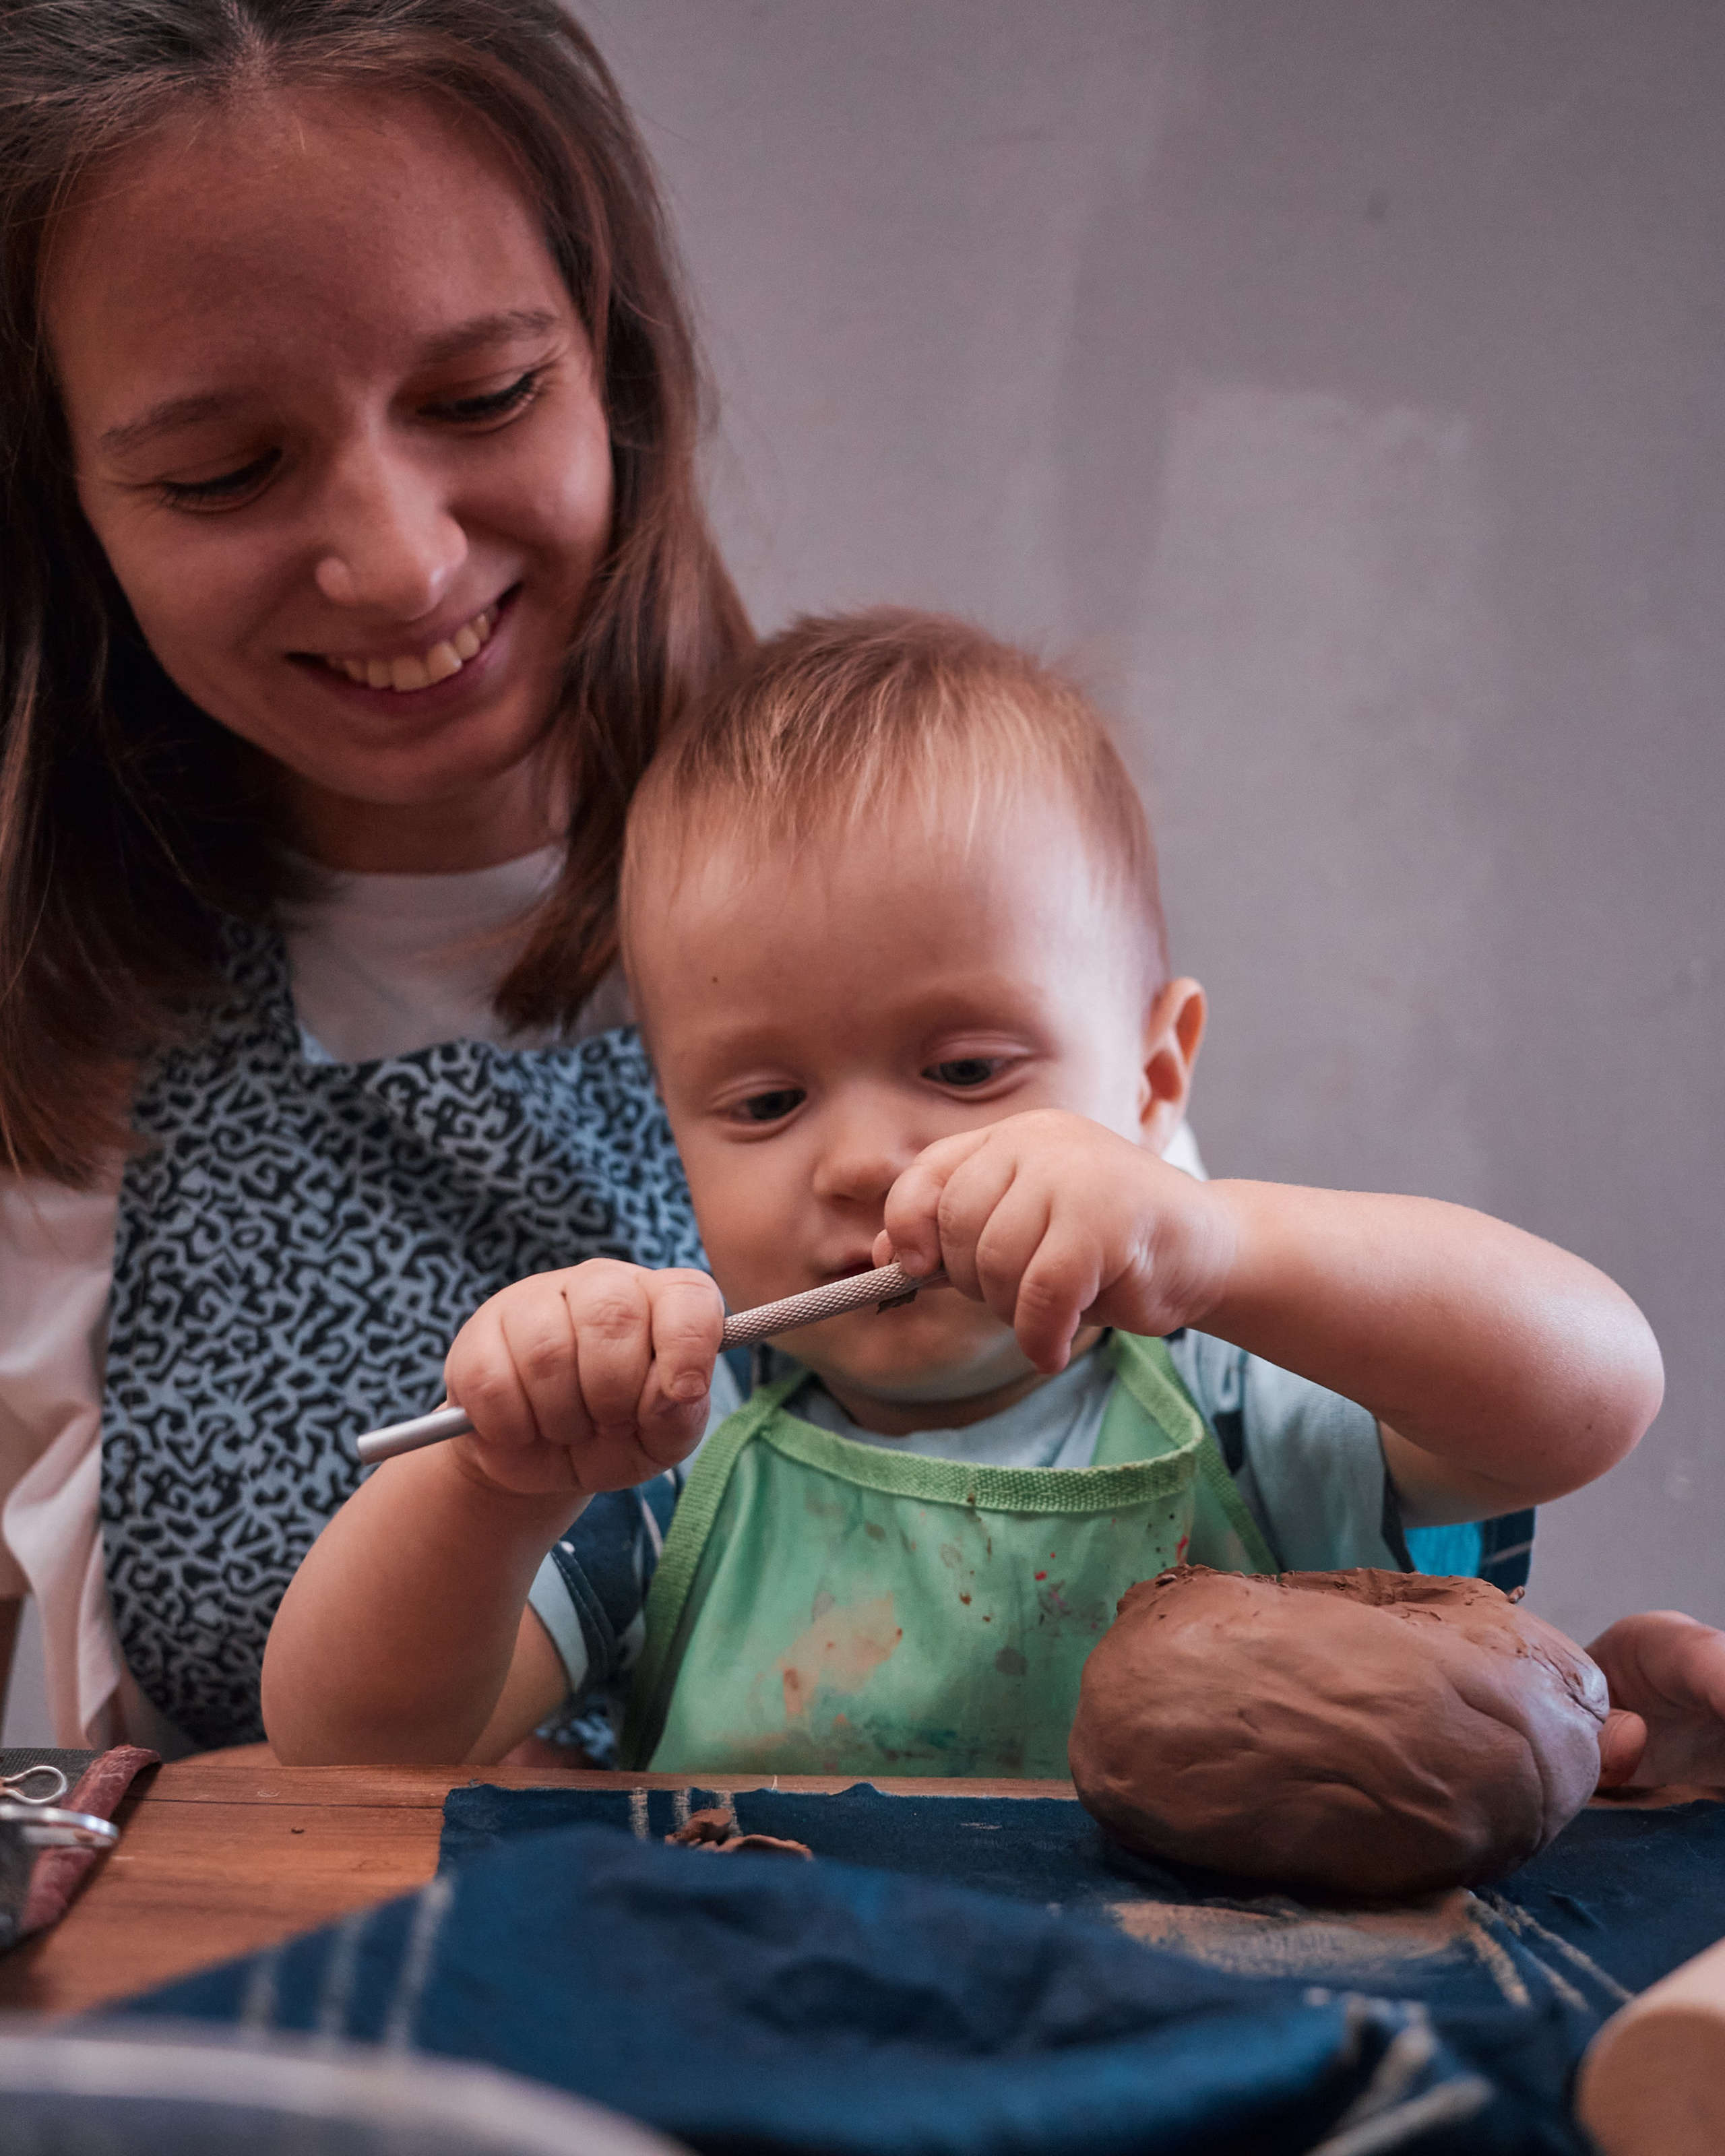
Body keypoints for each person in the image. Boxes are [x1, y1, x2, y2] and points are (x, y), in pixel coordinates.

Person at [264, 611, 1720, 1788]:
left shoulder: (1251, 1403)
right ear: (674, 1135)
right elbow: (345, 1746)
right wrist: (492, 1480)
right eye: (765, 1104)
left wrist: (1215, 1239)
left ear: (1155, 1076)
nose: (861, 1161)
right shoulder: (663, 1455)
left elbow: (1593, 1390)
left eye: (964, 1068)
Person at [0, 0, 751, 1756]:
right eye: (223, 470)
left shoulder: (927, 873)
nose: (401, 565)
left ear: (615, 362)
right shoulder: (50, 1041)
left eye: (482, 397)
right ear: (61, 511)